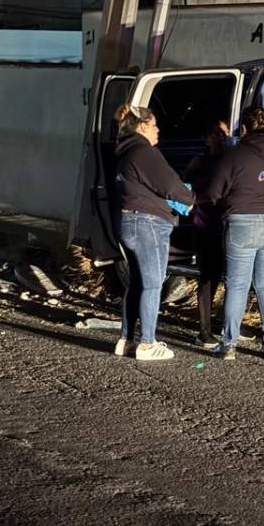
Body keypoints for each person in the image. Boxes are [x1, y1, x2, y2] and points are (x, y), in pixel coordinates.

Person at [206, 107, 264, 361]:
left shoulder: (234, 155)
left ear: (243, 128)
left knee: (238, 286)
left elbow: (213, 192)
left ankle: (229, 345)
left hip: (242, 224)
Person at [111, 104, 194, 361]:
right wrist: (189, 198)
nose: (158, 130)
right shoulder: (144, 152)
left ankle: (126, 340)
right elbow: (170, 184)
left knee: (137, 284)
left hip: (129, 222)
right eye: (155, 125)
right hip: (148, 224)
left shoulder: (124, 152)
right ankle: (147, 343)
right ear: (143, 126)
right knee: (152, 284)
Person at [182, 119, 230, 347]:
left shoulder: (232, 159)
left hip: (229, 226)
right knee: (208, 278)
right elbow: (182, 189)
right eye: (215, 133)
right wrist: (198, 202)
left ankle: (227, 323)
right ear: (206, 138)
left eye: (224, 132)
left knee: (231, 278)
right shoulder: (200, 162)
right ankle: (204, 330)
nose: (220, 137)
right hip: (206, 226)